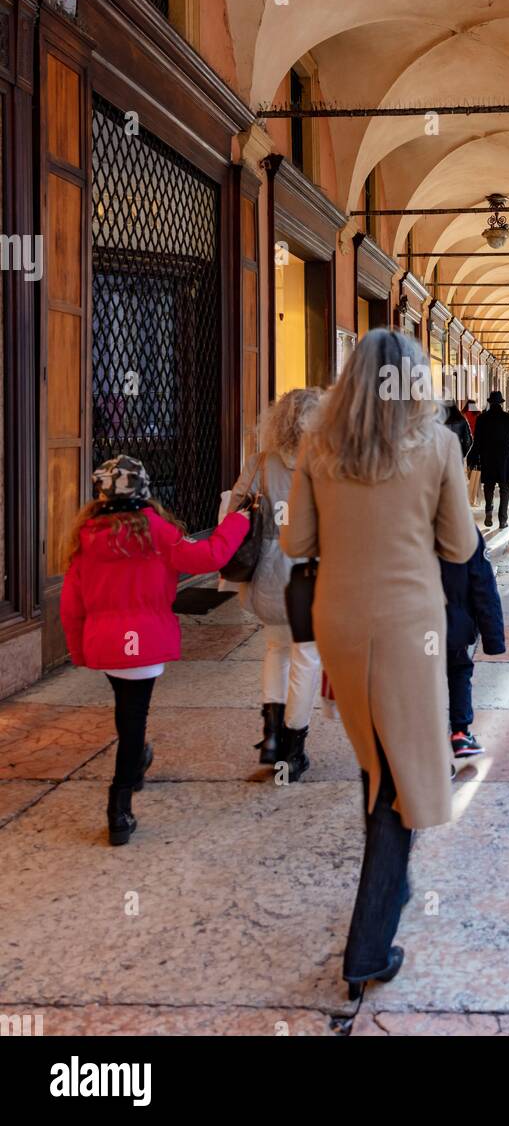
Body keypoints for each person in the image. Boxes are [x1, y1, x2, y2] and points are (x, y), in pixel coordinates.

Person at [282, 329, 476, 999]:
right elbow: (459, 546)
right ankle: (367, 946)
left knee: (380, 761)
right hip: (408, 629)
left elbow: (297, 539)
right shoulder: (439, 444)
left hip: (339, 621)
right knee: (398, 777)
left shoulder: (317, 445)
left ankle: (394, 886)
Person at [60, 455, 250, 846]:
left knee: (127, 712)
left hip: (105, 643)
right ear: (145, 492)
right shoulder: (158, 532)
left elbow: (70, 604)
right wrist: (239, 521)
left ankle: (138, 760)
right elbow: (210, 556)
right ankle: (119, 803)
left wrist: (79, 650)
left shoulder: (85, 538)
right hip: (145, 642)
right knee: (133, 718)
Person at [228, 387, 322, 777]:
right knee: (307, 656)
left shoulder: (259, 462)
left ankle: (270, 735)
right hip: (310, 572)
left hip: (267, 572)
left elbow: (234, 511)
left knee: (275, 649)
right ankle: (293, 747)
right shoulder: (327, 463)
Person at [440, 528, 505, 761]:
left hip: (408, 628)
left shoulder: (402, 525)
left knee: (418, 685)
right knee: (458, 670)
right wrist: (493, 638)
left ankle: (428, 748)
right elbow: (483, 585)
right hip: (452, 627)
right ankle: (460, 733)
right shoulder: (462, 529)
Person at [469, 390, 509, 529]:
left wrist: (472, 458)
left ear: (489, 402)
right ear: (501, 403)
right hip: (504, 458)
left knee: (488, 486)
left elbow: (477, 442)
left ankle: (489, 511)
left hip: (487, 457)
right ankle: (503, 520)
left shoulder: (482, 418)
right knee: (504, 488)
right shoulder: (508, 418)